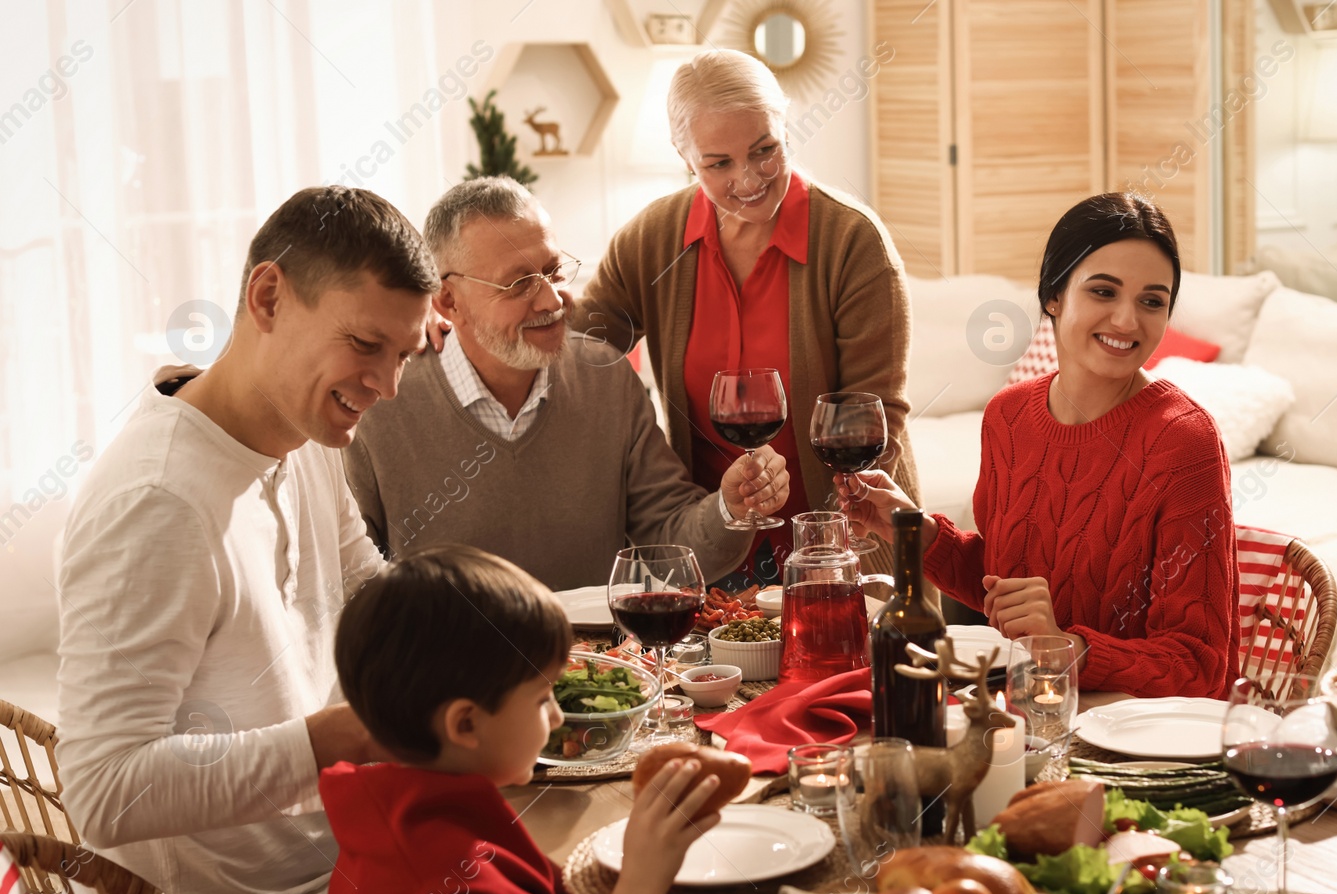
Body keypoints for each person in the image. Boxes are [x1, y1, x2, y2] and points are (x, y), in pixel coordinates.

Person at [55, 186, 435, 894]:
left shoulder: (303, 432)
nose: (387, 387)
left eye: (403, 356)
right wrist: (333, 740)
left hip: (337, 864)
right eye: (364, 345)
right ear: (268, 297)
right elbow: (103, 791)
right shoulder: (157, 500)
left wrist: (491, 633)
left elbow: (368, 591)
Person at [306, 545, 718, 894]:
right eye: (544, 697)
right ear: (466, 725)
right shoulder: (446, 871)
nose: (556, 718)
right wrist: (642, 878)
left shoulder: (389, 803)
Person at [843, 192, 1240, 699]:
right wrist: (912, 531)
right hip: (1025, 708)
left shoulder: (1184, 442)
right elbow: (1004, 583)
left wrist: (1067, 648)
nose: (1126, 321)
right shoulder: (1007, 417)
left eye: (1151, 301)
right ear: (1053, 295)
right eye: (1103, 292)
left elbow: (1198, 665)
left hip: (1133, 735)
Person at [343, 176, 790, 590]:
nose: (552, 299)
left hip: (598, 671)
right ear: (448, 300)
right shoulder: (378, 407)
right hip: (452, 675)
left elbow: (668, 537)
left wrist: (730, 507)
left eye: (553, 270)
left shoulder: (605, 377)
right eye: (519, 284)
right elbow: (351, 581)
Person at [574, 49, 920, 581]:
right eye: (719, 163)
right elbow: (581, 345)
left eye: (765, 150)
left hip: (846, 543)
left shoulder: (852, 242)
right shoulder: (654, 238)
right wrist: (459, 329)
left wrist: (822, 548)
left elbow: (878, 424)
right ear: (684, 155)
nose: (749, 178)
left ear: (785, 128)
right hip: (713, 549)